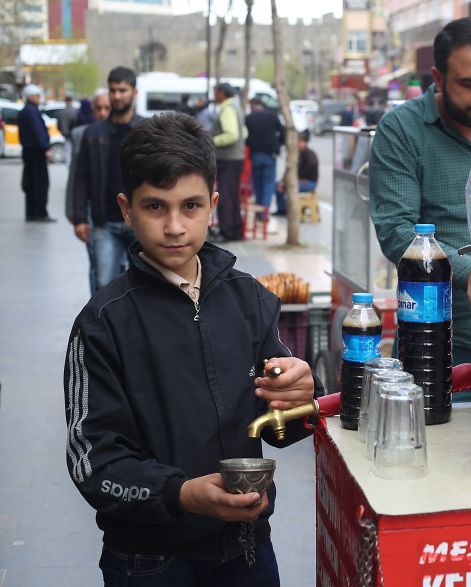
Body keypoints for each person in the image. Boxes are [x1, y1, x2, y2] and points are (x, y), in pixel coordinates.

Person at [63, 112, 321, 585]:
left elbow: (283, 427)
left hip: (248, 550)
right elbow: (92, 460)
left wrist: (304, 393)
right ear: (126, 209)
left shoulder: (250, 300)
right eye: (155, 207)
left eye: (191, 206)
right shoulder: (102, 324)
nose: (176, 227)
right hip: (150, 560)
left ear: (214, 204)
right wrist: (179, 493)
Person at [369, 17, 471, 389]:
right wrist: (470, 270)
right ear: (438, 78)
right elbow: (396, 231)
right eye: (469, 84)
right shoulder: (402, 130)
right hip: (436, 340)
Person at [72, 66, 144, 289]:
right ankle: (106, 325)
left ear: (134, 92)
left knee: (145, 283)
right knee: (104, 284)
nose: (117, 96)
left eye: (122, 90)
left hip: (140, 221)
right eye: (113, 90)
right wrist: (80, 217)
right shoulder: (93, 133)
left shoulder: (146, 130)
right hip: (105, 221)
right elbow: (81, 176)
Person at [66, 89, 111, 295]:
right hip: (94, 209)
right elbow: (77, 176)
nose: (102, 113)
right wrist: (75, 213)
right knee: (98, 266)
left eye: (107, 108)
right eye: (98, 108)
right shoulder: (83, 134)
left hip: (119, 210)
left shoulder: (128, 133)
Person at [211, 82, 247, 242]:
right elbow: (244, 133)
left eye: (215, 92)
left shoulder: (227, 109)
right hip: (236, 158)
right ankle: (235, 230)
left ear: (221, 93)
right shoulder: (236, 107)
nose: (214, 96)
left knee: (225, 196)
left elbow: (232, 134)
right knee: (232, 196)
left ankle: (227, 232)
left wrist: (211, 140)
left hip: (227, 159)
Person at [18, 84, 54, 222]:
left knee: (30, 184)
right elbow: (38, 131)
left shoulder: (25, 111)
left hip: (28, 152)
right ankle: (40, 214)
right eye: (37, 95)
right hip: (36, 153)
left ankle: (31, 213)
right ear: (31, 96)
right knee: (40, 183)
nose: (39, 98)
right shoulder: (32, 112)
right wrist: (45, 148)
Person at [245, 96, 284, 221]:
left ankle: (259, 212)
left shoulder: (249, 118)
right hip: (270, 155)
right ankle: (265, 212)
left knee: (257, 184)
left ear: (255, 104)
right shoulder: (272, 116)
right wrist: (278, 145)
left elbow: (244, 136)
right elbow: (282, 132)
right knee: (268, 184)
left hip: (255, 155)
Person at [58, 95, 79, 163]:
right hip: (74, 135)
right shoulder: (76, 111)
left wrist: (62, 131)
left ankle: (69, 167)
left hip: (66, 134)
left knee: (68, 153)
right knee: (75, 152)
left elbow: (59, 125)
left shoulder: (62, 112)